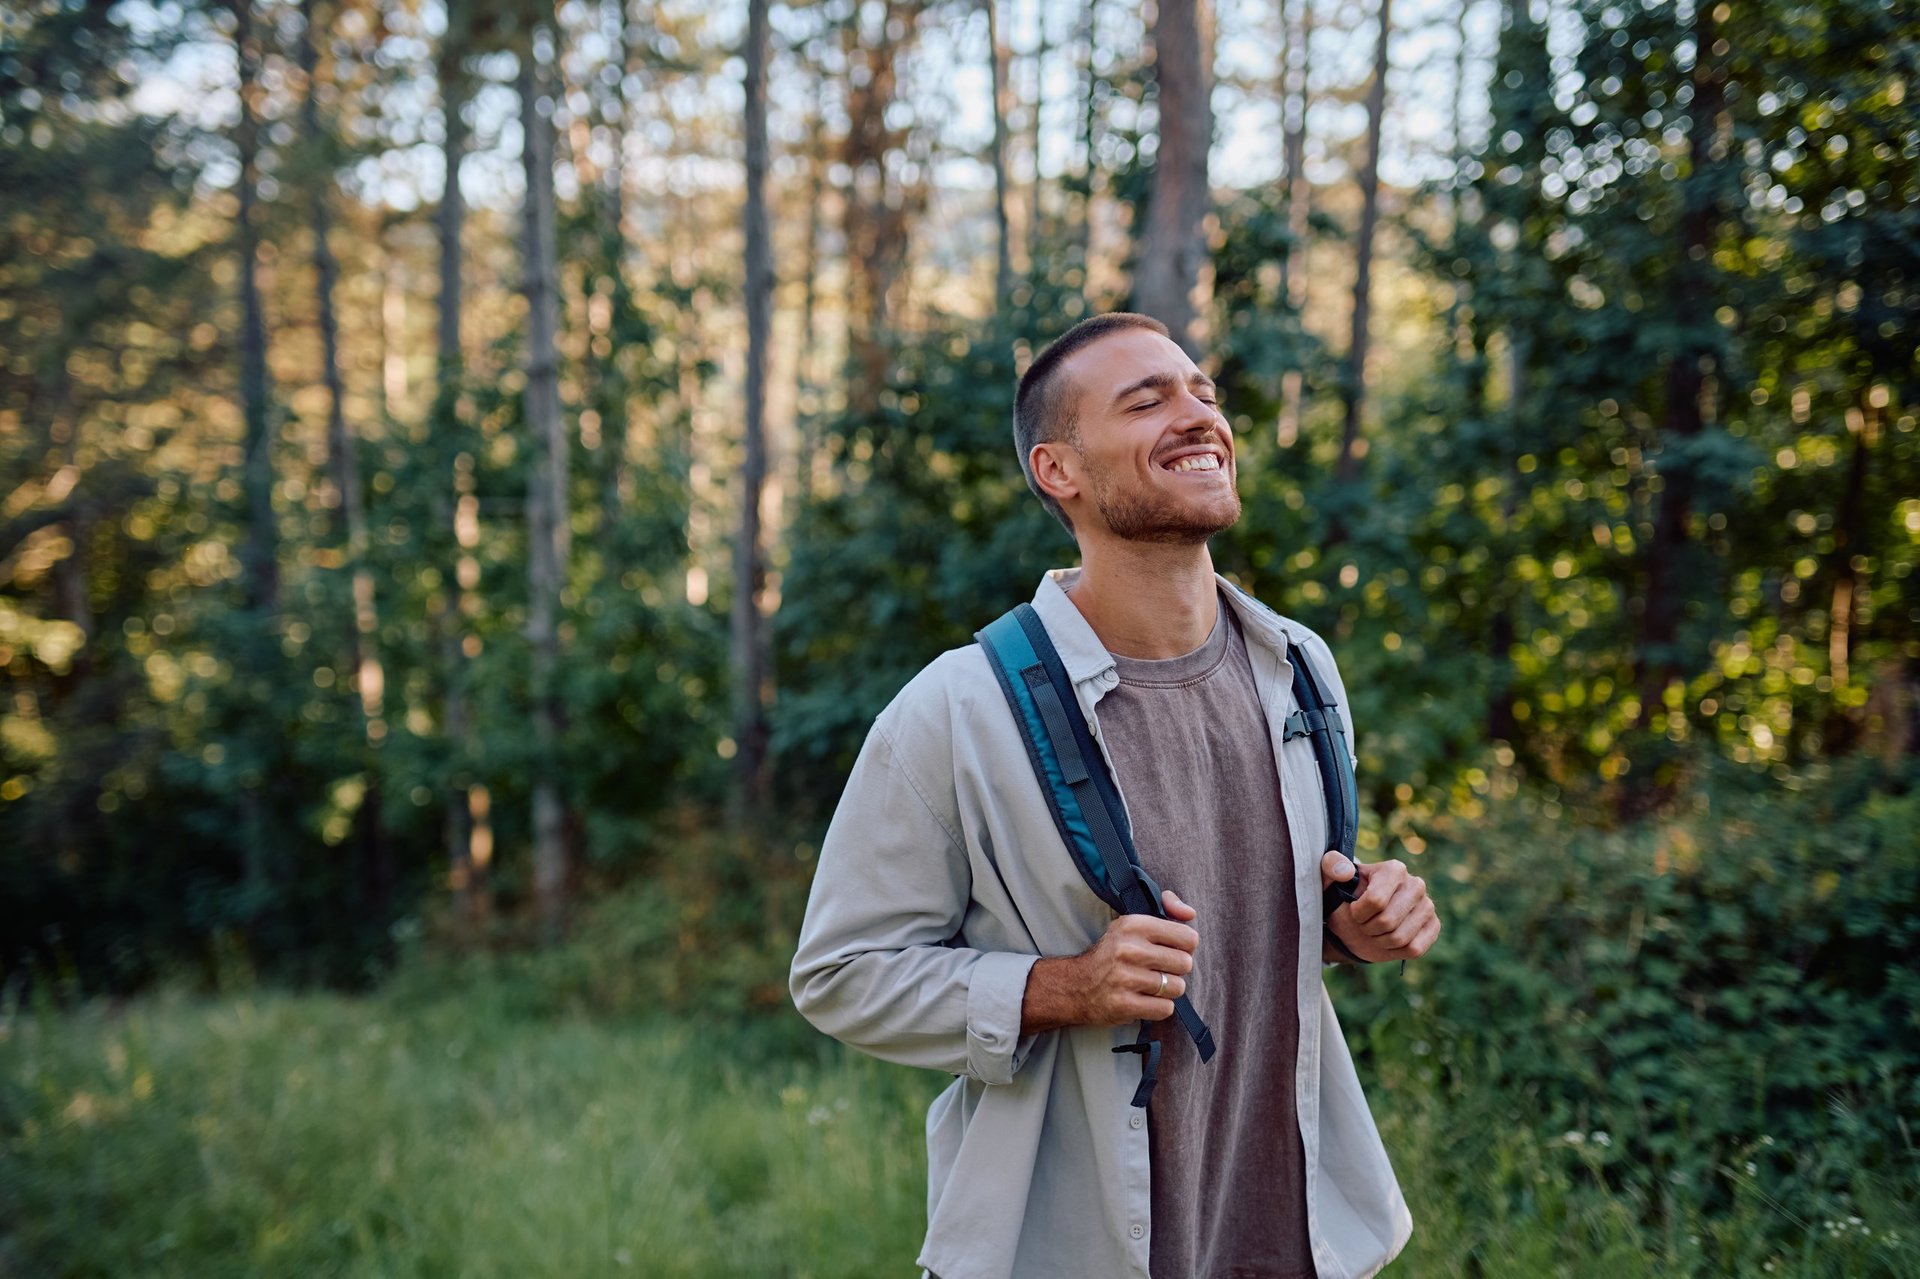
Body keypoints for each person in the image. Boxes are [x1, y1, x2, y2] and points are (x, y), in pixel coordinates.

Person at [790, 312, 1441, 1279]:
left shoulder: (1303, 668)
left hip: (1293, 1240)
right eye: (1148, 402)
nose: (1197, 415)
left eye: (1202, 393)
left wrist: (1352, 923)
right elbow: (838, 973)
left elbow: (1262, 914)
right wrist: (1060, 988)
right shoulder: (958, 709)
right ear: (1060, 470)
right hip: (1066, 1247)